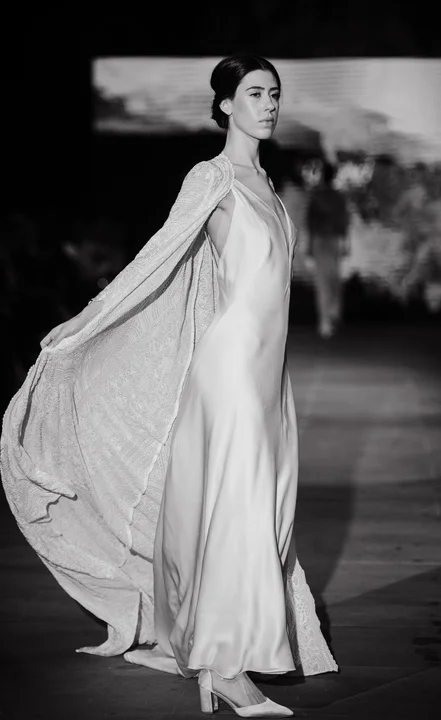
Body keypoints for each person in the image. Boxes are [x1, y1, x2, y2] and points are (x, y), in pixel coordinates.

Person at [1, 54, 337, 717]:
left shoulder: (267, 185)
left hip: (268, 376)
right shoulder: (211, 177)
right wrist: (85, 321)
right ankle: (226, 669)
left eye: (274, 93)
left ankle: (201, 642)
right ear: (225, 106)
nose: (268, 104)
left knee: (263, 510)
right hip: (232, 374)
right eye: (254, 93)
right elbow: (154, 259)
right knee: (238, 514)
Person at [300, 159, 350, 338]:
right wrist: (345, 242)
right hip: (334, 240)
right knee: (334, 278)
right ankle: (333, 312)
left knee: (323, 281)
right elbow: (344, 222)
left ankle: (325, 322)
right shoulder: (338, 197)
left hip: (320, 241)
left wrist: (308, 247)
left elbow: (310, 224)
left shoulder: (316, 196)